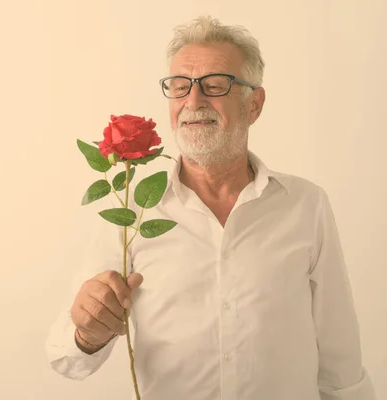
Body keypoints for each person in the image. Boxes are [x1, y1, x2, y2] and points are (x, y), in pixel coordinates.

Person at [45, 16, 377, 400]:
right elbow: (67, 358)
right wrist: (87, 333)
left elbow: (341, 361)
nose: (193, 101)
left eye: (215, 85)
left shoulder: (306, 204)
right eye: (180, 86)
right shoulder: (131, 212)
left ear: (254, 104)